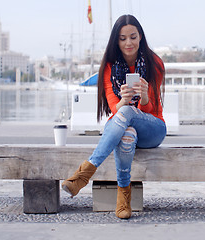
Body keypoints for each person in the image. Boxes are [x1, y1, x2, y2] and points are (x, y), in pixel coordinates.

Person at [62, 15, 166, 219]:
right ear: (116, 41)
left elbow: (152, 111)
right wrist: (123, 101)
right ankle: (123, 197)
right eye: (123, 38)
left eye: (133, 37)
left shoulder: (155, 63)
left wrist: (144, 97)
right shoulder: (109, 67)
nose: (129, 43)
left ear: (141, 37)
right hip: (126, 126)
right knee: (126, 134)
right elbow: (113, 108)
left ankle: (85, 173)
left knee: (126, 114)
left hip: (154, 129)